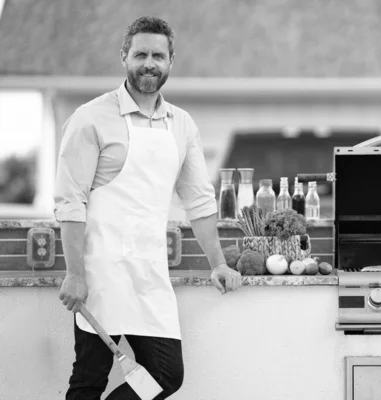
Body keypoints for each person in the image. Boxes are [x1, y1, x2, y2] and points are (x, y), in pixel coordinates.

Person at [54, 16, 242, 399]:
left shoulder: (182, 125)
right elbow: (70, 202)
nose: (149, 63)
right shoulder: (90, 118)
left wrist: (218, 263)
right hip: (100, 273)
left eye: (158, 55)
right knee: (89, 378)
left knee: (166, 374)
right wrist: (75, 273)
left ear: (171, 61)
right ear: (124, 56)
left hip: (150, 275)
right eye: (140, 54)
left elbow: (200, 201)